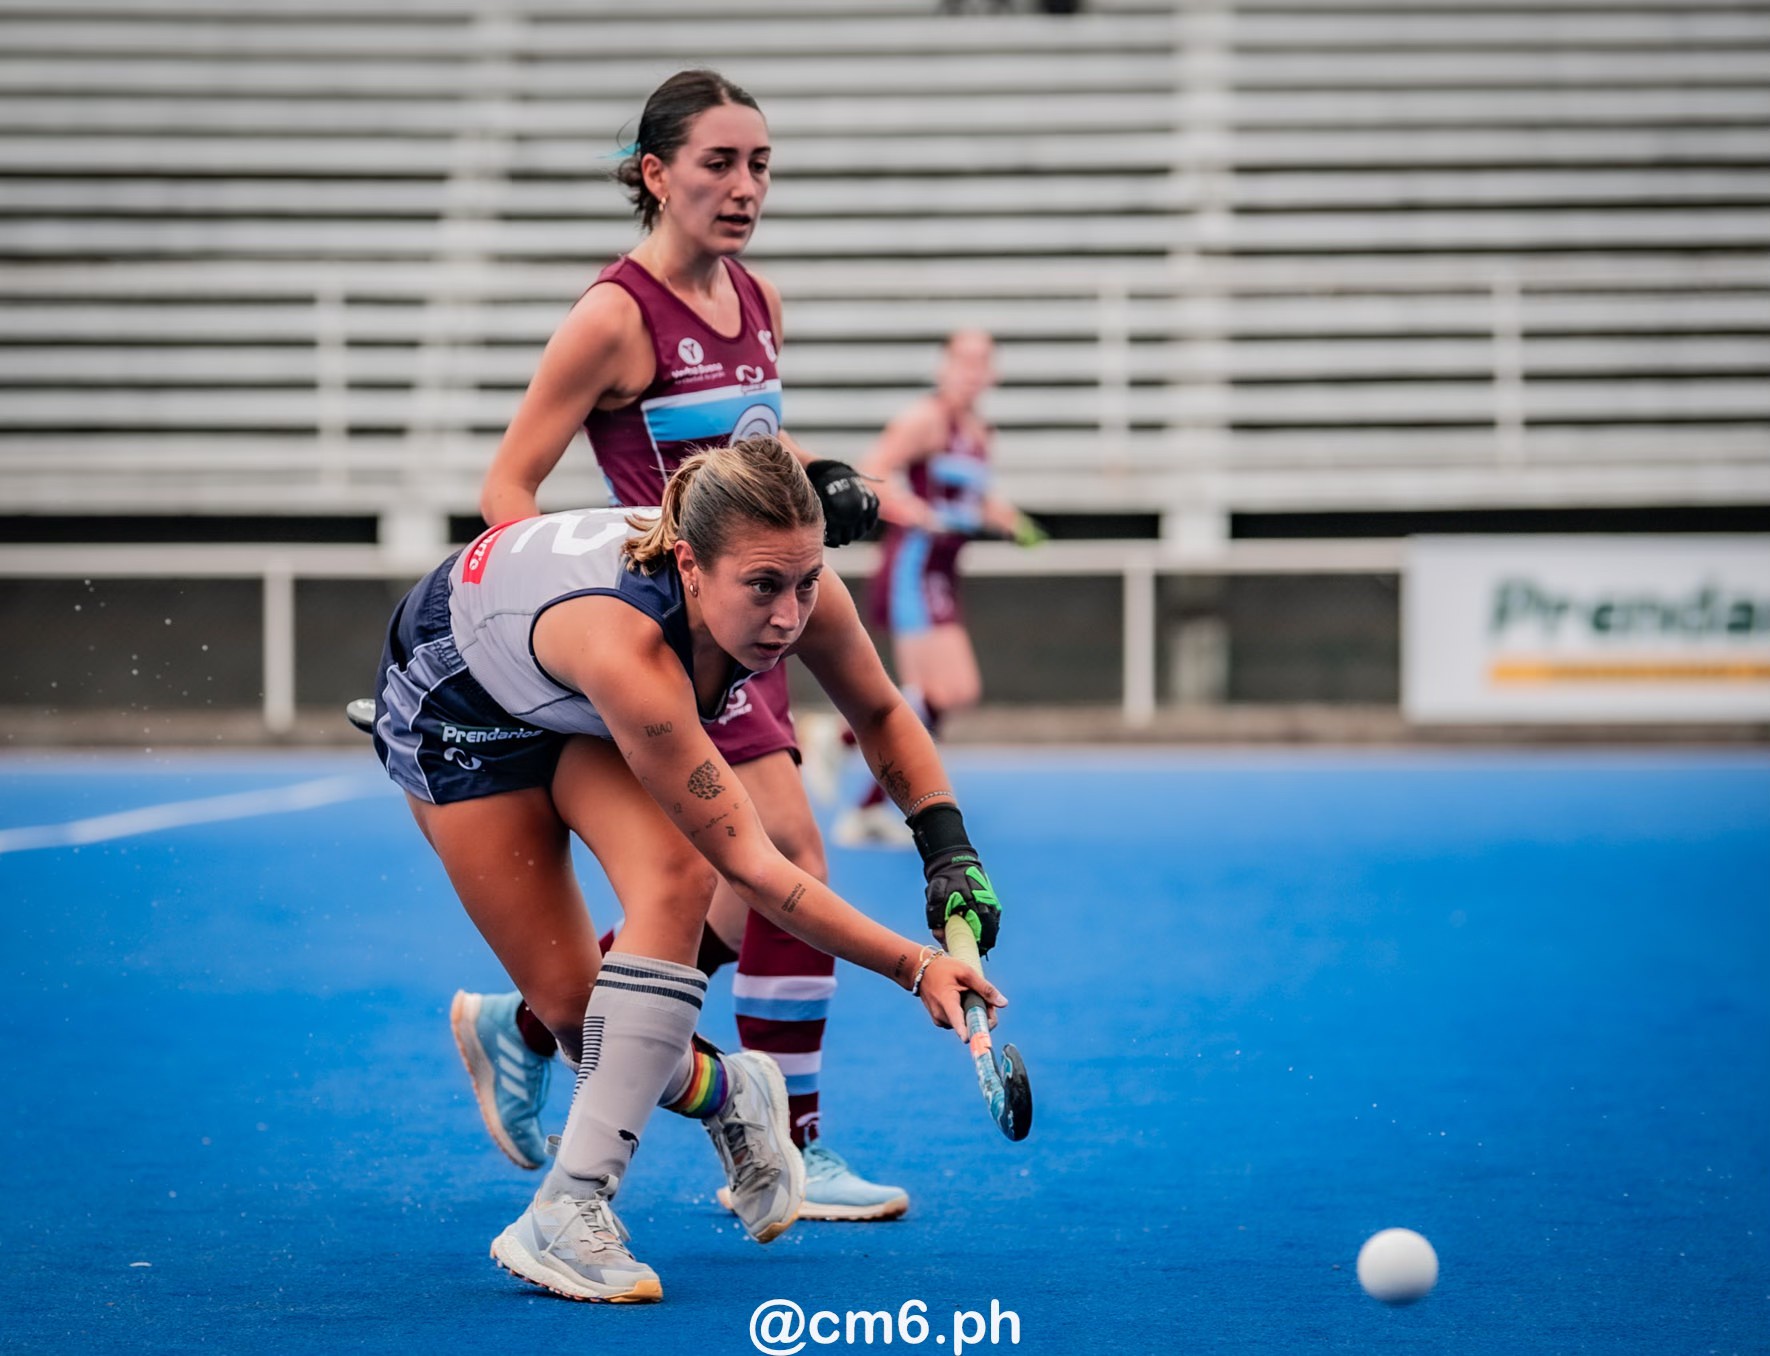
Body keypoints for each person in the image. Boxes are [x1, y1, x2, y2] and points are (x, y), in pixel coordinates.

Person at [370, 439, 1007, 1301]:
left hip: (556, 680)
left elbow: (884, 711)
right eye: (764, 589)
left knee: (673, 880)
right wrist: (917, 964)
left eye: (806, 582)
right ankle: (729, 1094)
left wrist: (949, 851)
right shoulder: (631, 651)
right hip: (458, 713)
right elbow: (753, 868)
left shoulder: (789, 577)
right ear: (690, 565)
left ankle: (567, 1205)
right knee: (574, 1015)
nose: (789, 616)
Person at [453, 68, 908, 1220]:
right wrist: (556, 620)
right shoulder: (616, 315)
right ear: (655, 175)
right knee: (785, 850)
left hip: (738, 623)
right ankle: (795, 1143)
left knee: (717, 889)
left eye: (760, 164)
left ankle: (526, 1023)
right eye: (719, 162)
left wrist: (825, 476)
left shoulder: (757, 298)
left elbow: (750, 439)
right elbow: (508, 482)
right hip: (670, 624)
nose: (745, 185)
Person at [832, 330, 1044, 846]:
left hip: (944, 572)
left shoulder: (978, 432)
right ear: (943, 366)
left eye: (982, 362)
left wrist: (1013, 521)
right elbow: (874, 471)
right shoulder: (927, 420)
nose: (972, 371)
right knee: (949, 691)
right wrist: (918, 513)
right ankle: (864, 794)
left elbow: (974, 498)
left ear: (993, 372)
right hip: (914, 566)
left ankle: (857, 774)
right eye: (962, 360)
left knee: (938, 698)